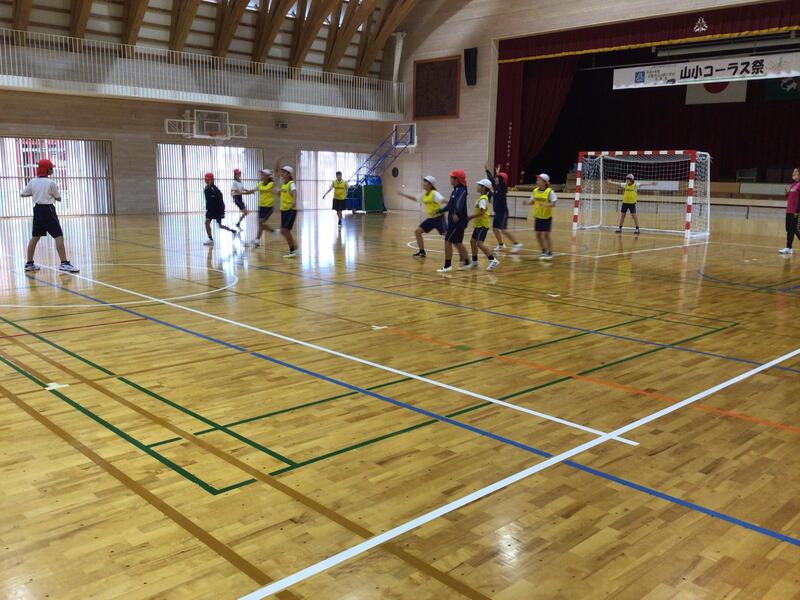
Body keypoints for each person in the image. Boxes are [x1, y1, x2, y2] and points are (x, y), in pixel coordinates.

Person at [21, 158, 79, 273]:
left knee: (35, 237)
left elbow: (23, 194)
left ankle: (29, 263)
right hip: (48, 210)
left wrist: (36, 194)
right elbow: (58, 197)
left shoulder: (33, 181)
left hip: (37, 210)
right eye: (51, 168)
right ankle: (64, 263)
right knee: (58, 236)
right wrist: (52, 196)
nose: (52, 169)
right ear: (47, 170)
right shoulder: (50, 183)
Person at [399, 175, 446, 258]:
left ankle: (461, 252)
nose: (423, 183)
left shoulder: (435, 194)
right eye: (424, 181)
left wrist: (450, 210)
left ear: (430, 184)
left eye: (426, 182)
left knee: (448, 236)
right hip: (431, 219)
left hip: (439, 219)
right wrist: (404, 195)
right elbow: (415, 198)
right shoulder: (424, 195)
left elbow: (445, 201)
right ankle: (422, 252)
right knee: (417, 232)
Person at [437, 169, 471, 273]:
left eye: (451, 177)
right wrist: (440, 211)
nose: (450, 179)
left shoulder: (461, 190)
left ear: (457, 179)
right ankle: (467, 262)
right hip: (456, 222)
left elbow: (459, 203)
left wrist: (456, 213)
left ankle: (447, 265)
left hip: (457, 222)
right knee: (458, 242)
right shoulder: (455, 191)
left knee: (448, 241)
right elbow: (450, 205)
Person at [486, 163, 522, 253]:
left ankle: (516, 244)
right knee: (495, 228)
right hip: (497, 212)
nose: (495, 179)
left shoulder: (503, 188)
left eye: (497, 178)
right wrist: (487, 170)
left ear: (502, 180)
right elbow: (491, 179)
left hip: (503, 212)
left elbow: (502, 182)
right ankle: (501, 244)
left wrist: (499, 174)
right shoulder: (496, 187)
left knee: (503, 229)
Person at [466, 178, 499, 271]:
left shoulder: (483, 199)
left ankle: (493, 260)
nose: (477, 186)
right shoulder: (482, 198)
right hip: (478, 225)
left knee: (479, 243)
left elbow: (482, 212)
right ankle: (475, 261)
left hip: (483, 225)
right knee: (472, 241)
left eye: (479, 185)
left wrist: (470, 217)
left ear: (484, 188)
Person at [523, 173, 558, 260]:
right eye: (537, 180)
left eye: (539, 180)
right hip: (538, 216)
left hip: (547, 216)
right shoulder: (535, 191)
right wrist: (527, 203)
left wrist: (545, 205)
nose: (537, 181)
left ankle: (550, 252)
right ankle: (543, 250)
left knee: (546, 235)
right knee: (538, 234)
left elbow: (553, 204)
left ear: (545, 182)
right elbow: (532, 202)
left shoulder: (550, 191)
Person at [203, 172, 237, 246]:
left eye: (208, 180)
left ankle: (232, 230)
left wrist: (222, 212)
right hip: (210, 210)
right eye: (205, 179)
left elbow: (221, 201)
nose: (206, 181)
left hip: (217, 210)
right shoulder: (205, 189)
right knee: (207, 222)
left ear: (212, 180)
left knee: (220, 226)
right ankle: (210, 239)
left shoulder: (215, 190)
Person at [249, 169, 278, 247]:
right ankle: (258, 240)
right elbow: (253, 190)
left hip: (269, 207)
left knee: (261, 222)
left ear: (268, 176)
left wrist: (277, 191)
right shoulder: (260, 184)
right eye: (261, 174)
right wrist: (242, 192)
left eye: (263, 175)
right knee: (260, 224)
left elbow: (278, 191)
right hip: (261, 206)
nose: (262, 176)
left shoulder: (272, 184)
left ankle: (271, 232)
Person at [779, 167, 800, 255]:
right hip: (789, 210)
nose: (793, 173)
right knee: (789, 228)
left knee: (792, 229)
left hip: (795, 210)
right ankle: (789, 248)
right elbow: (791, 196)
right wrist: (787, 194)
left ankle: (788, 247)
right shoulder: (793, 185)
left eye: (795, 171)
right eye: (793, 171)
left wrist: (797, 210)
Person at [279, 164, 298, 258]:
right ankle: (294, 245)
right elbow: (282, 195)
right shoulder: (283, 184)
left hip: (291, 209)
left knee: (285, 230)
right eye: (282, 171)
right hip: (284, 209)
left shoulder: (291, 183)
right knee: (283, 231)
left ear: (289, 174)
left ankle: (292, 251)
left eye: (284, 172)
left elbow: (294, 192)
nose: (282, 173)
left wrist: (294, 200)